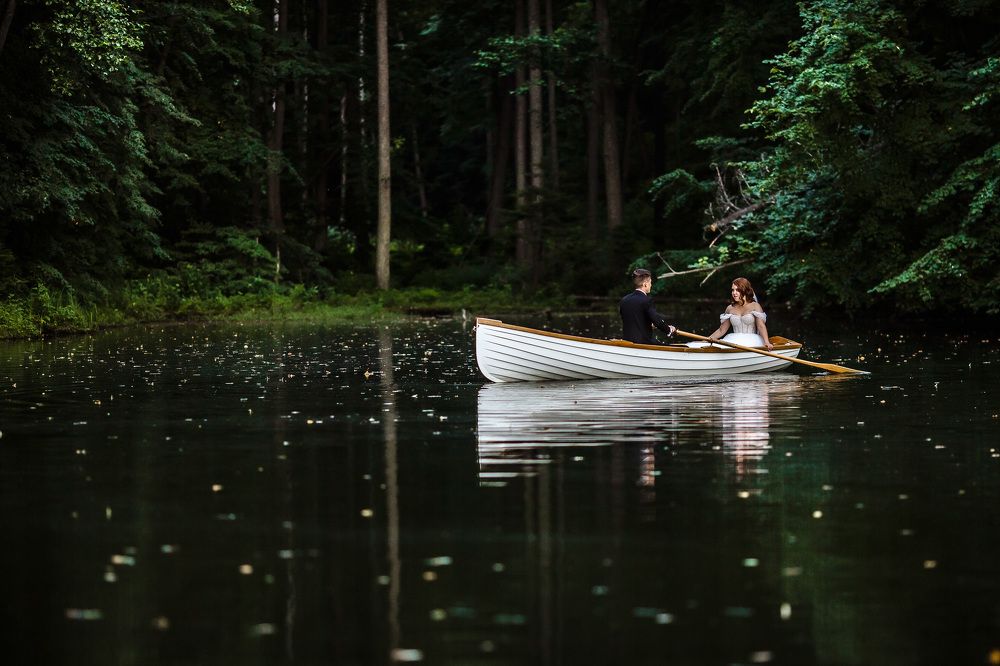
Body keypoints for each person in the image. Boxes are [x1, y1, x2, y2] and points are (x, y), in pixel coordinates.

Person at [706, 277, 773, 350]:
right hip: (734, 340)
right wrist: (707, 339)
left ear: (744, 290)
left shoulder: (755, 306)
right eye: (733, 290)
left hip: (752, 341)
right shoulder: (730, 308)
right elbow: (722, 330)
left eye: (737, 290)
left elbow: (761, 326)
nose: (734, 293)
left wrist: (766, 342)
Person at [619, 268, 676, 344]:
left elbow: (632, 320)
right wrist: (669, 329)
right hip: (644, 343)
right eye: (650, 282)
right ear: (645, 284)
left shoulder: (624, 300)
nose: (651, 285)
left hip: (627, 342)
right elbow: (658, 321)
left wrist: (648, 324)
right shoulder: (647, 300)